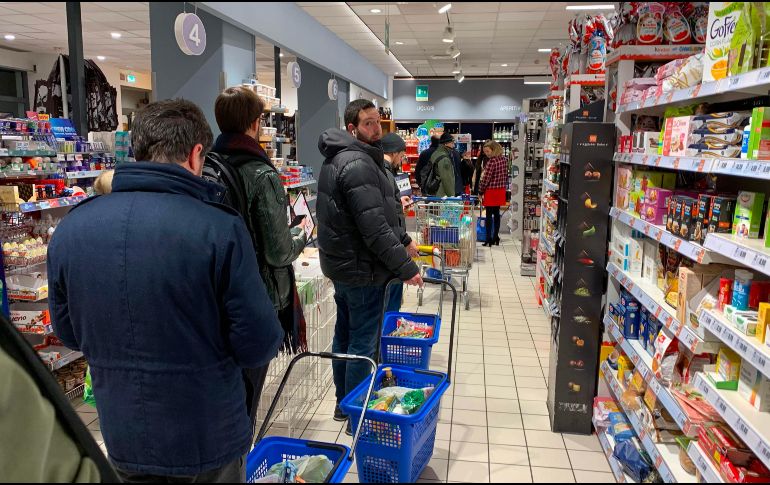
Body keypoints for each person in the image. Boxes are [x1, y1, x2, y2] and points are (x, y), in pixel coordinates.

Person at [47, 99, 283, 483]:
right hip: (208, 433)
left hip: (123, 429)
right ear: (195, 155)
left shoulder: (73, 228)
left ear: (138, 150)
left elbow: (69, 331)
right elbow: (258, 340)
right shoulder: (217, 227)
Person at [317, 99, 423, 433]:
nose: (376, 129)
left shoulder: (343, 159)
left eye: (378, 122)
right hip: (363, 271)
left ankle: (342, 404)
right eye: (368, 123)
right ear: (352, 129)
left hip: (346, 268)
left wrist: (403, 238)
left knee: (345, 337)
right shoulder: (359, 164)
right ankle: (357, 415)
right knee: (363, 344)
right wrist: (406, 267)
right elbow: (374, 230)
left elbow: (377, 215)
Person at [212, 86, 309, 440]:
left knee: (225, 390)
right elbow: (278, 252)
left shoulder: (208, 163)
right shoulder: (261, 173)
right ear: (256, 124)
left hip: (216, 291)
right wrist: (302, 235)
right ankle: (239, 460)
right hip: (257, 296)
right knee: (248, 393)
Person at [381, 132, 421, 313]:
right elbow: (390, 219)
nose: (403, 159)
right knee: (389, 307)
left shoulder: (377, 171)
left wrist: (398, 203)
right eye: (403, 155)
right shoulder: (387, 174)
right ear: (395, 153)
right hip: (390, 249)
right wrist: (405, 240)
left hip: (385, 248)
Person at [479, 140, 510, 247]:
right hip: (501, 190)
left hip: (491, 191)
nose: (487, 154)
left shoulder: (492, 162)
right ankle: (496, 236)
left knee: (488, 215)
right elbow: (506, 175)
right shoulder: (504, 160)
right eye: (485, 152)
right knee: (496, 214)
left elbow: (486, 179)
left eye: (488, 151)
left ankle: (488, 238)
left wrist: (480, 191)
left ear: (494, 149)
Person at [427, 132, 457, 197]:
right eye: (452, 143)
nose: (453, 146)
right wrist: (452, 197)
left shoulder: (435, 153)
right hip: (442, 194)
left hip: (434, 191)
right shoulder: (444, 159)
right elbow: (447, 180)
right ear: (445, 144)